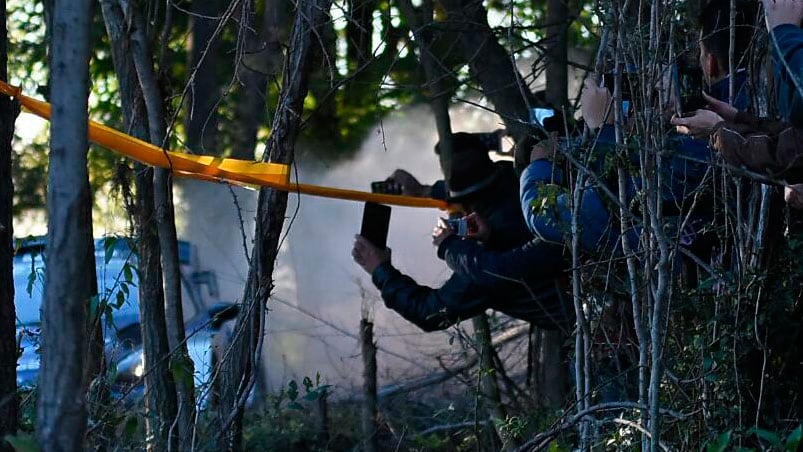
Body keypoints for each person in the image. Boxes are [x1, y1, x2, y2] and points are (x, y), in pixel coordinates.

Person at [351, 133, 572, 332]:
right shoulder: (519, 183)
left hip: (589, 331)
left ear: (466, 208)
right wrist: (424, 191)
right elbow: (481, 187)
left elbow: (429, 312)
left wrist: (380, 269)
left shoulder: (481, 266)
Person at [671, 0, 803, 201]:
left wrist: (784, 36)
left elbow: (786, 154)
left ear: (710, 63)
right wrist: (737, 118)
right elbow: (792, 142)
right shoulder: (760, 94)